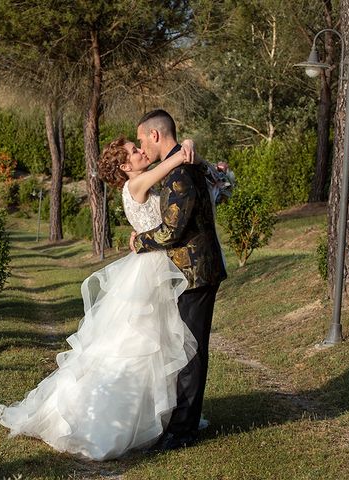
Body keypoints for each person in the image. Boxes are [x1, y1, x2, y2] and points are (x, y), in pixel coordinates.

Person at [0, 136, 200, 461]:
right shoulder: (136, 184)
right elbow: (169, 164)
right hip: (149, 271)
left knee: (155, 344)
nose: (140, 151)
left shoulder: (136, 184)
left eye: (138, 147)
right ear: (124, 166)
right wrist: (183, 147)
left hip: (154, 264)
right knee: (134, 345)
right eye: (134, 151)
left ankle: (161, 417)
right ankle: (109, 420)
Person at [131, 109, 227, 451]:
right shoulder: (179, 166)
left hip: (196, 273)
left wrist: (140, 240)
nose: (142, 146)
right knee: (185, 348)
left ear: (155, 135)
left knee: (190, 351)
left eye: (142, 139)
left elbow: (173, 229)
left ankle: (183, 432)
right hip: (189, 272)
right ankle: (180, 422)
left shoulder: (180, 174)